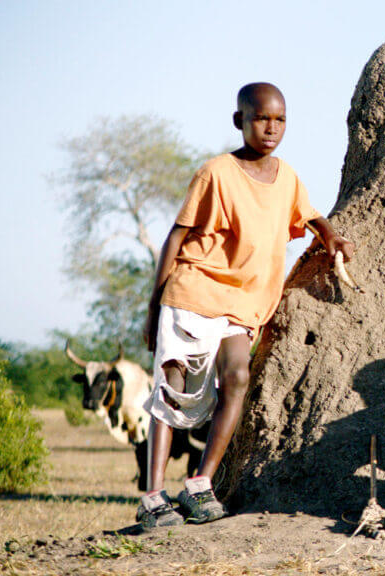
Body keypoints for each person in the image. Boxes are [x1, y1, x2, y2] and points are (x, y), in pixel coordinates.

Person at [136, 82, 355, 530]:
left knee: (236, 376)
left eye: (280, 119)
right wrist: (154, 306)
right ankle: (153, 497)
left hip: (244, 302)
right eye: (260, 118)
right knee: (175, 388)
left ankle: (200, 484)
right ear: (240, 121)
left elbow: (308, 214)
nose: (271, 128)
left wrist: (330, 236)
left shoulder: (287, 175)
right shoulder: (216, 172)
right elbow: (176, 238)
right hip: (196, 290)